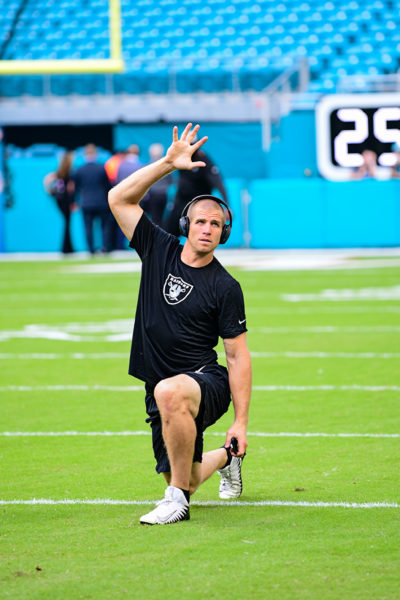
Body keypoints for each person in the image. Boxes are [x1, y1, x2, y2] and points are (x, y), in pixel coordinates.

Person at [108, 123, 251, 525]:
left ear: (224, 235)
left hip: (205, 381)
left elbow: (237, 356)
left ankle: (175, 503)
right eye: (201, 221)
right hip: (160, 382)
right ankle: (226, 461)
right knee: (183, 476)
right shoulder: (157, 247)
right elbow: (118, 198)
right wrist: (168, 164)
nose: (207, 229)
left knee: (171, 393)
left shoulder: (226, 285)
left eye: (216, 225)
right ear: (186, 225)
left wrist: (240, 421)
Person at [163, 140, 228, 237]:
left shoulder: (205, 161)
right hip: (180, 202)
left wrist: (227, 206)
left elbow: (219, 184)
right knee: (169, 231)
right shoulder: (182, 158)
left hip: (198, 205)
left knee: (197, 232)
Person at [73, 144, 112, 254]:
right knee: (104, 226)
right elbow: (107, 186)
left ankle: (90, 249)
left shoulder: (80, 170)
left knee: (88, 227)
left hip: (87, 203)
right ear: (95, 154)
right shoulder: (101, 168)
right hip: (102, 202)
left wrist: (75, 201)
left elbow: (76, 188)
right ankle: (105, 247)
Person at [43, 151, 76, 254]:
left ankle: (67, 247)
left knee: (66, 223)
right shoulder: (70, 173)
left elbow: (47, 180)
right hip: (66, 200)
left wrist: (51, 192)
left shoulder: (59, 172)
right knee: (67, 223)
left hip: (60, 199)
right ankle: (67, 248)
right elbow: (71, 188)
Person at [140, 142, 173, 226]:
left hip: (152, 195)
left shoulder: (147, 166)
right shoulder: (167, 166)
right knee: (160, 218)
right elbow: (170, 181)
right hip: (163, 195)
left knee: (154, 218)